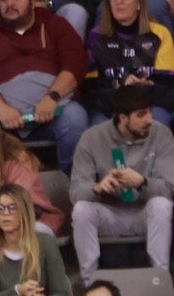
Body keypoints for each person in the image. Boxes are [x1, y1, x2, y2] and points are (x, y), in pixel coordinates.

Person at [0, 0, 90, 173]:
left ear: (32, 1)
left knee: (75, 117)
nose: (9, 4)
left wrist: (52, 98)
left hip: (53, 110)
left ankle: (72, 184)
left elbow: (75, 64)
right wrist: (1, 108)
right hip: (5, 116)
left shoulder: (55, 25)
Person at [71, 83, 174, 281]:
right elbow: (75, 191)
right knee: (82, 210)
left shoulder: (161, 134)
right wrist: (98, 188)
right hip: (109, 214)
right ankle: (89, 283)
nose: (149, 120)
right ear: (123, 117)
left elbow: (169, 188)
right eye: (141, 114)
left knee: (161, 204)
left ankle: (160, 278)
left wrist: (142, 182)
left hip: (144, 212)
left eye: (150, 112)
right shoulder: (91, 138)